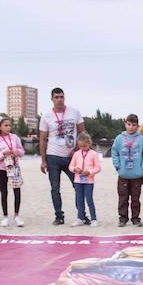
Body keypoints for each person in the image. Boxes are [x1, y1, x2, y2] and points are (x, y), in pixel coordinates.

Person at [38, 87, 87, 225]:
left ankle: (82, 215)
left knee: (78, 186)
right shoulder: (46, 116)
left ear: (64, 97)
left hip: (71, 156)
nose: (59, 99)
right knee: (55, 188)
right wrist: (43, 160)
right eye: (56, 97)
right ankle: (59, 216)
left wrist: (77, 149)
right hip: (53, 156)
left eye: (61, 97)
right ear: (52, 99)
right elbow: (42, 139)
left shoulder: (74, 112)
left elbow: (83, 133)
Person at [113, 113, 143, 226]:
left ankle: (135, 218)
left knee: (135, 198)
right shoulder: (119, 138)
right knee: (123, 198)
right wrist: (117, 165)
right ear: (125, 124)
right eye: (129, 124)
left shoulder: (141, 139)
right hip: (123, 174)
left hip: (137, 175)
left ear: (138, 126)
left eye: (134, 125)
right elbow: (114, 152)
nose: (131, 127)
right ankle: (123, 218)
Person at [0, 116, 25, 227]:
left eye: (10, 125)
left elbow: (22, 151)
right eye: (5, 125)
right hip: (2, 168)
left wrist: (17, 152)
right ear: (0, 127)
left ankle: (16, 216)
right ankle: (5, 216)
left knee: (17, 191)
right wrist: (3, 154)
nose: (8, 127)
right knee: (4, 192)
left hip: (13, 167)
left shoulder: (14, 137)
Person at [69, 131, 101, 226]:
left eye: (84, 146)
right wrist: (75, 169)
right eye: (80, 146)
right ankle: (80, 218)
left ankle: (94, 219)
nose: (82, 148)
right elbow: (70, 166)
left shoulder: (94, 154)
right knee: (79, 200)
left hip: (89, 181)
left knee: (89, 199)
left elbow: (98, 168)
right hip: (78, 180)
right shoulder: (76, 154)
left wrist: (89, 172)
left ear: (89, 144)